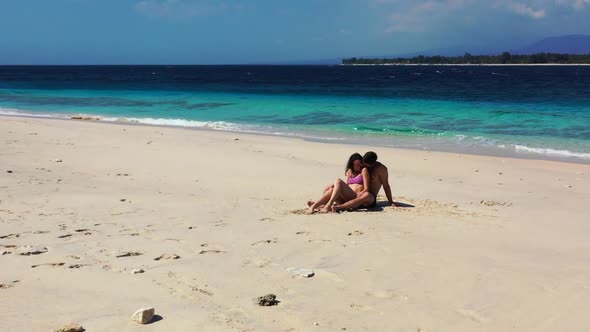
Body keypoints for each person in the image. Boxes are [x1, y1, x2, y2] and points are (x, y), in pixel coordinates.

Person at [329, 151, 396, 212]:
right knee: (332, 188)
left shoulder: (381, 169)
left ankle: (340, 207)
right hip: (358, 194)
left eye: (367, 165)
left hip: (369, 197)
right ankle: (325, 205)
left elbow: (386, 185)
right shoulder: (363, 166)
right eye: (363, 164)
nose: (364, 166)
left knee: (366, 195)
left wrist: (391, 202)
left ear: (373, 163)